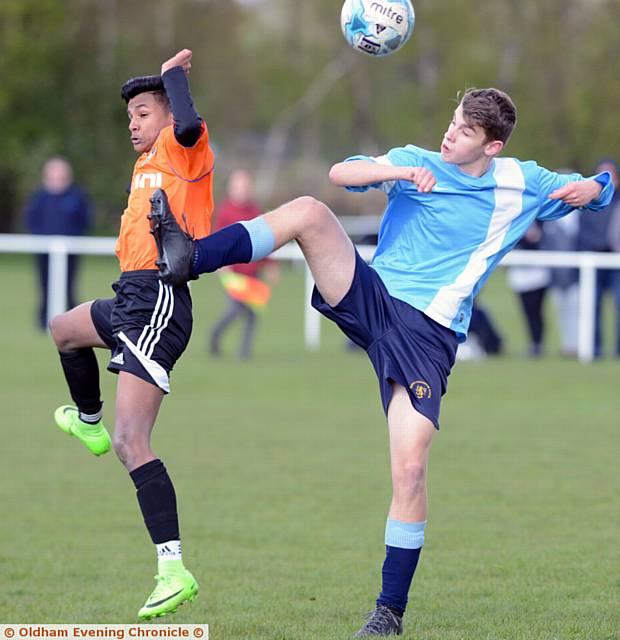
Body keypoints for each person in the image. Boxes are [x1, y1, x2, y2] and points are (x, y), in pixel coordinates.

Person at [150, 88, 613, 636]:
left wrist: (593, 187)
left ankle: (388, 613)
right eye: (452, 120)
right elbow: (341, 173)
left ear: (492, 147)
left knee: (411, 469)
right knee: (309, 213)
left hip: (429, 335)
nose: (450, 133)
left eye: (464, 131)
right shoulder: (418, 161)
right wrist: (391, 173)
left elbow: (598, 192)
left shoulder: (519, 182)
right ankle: (191, 256)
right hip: (375, 298)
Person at [48, 49, 215, 619]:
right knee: (64, 330)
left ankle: (173, 570)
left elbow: (189, 124)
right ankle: (87, 423)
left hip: (159, 301)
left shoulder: (181, 149)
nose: (134, 125)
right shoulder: (146, 163)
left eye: (143, 113)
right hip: (131, 297)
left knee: (133, 443)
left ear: (165, 116)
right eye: (130, 118)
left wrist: (173, 78)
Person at [209, 170, 277, 359]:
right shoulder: (225, 211)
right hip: (233, 273)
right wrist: (221, 264)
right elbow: (219, 240)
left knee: (252, 315)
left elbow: (264, 238)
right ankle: (214, 338)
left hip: (252, 272)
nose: (242, 191)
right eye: (238, 187)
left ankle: (244, 353)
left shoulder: (256, 211)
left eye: (246, 187)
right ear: (231, 189)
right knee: (236, 309)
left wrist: (270, 264)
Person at [24, 157, 91, 330]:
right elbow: (31, 221)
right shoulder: (39, 198)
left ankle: (71, 322)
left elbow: (85, 221)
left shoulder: (76, 197)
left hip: (70, 251)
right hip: (44, 252)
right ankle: (43, 322)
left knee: (68, 287)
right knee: (45, 286)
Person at [577, 158, 620, 357]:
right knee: (591, 306)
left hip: (616, 262)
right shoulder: (587, 203)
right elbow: (581, 232)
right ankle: (594, 349)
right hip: (592, 260)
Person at [506, 221, 551, 357]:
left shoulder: (540, 220)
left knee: (536, 311)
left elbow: (539, 240)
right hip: (520, 275)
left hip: (538, 273)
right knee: (528, 312)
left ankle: (537, 344)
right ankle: (534, 344)